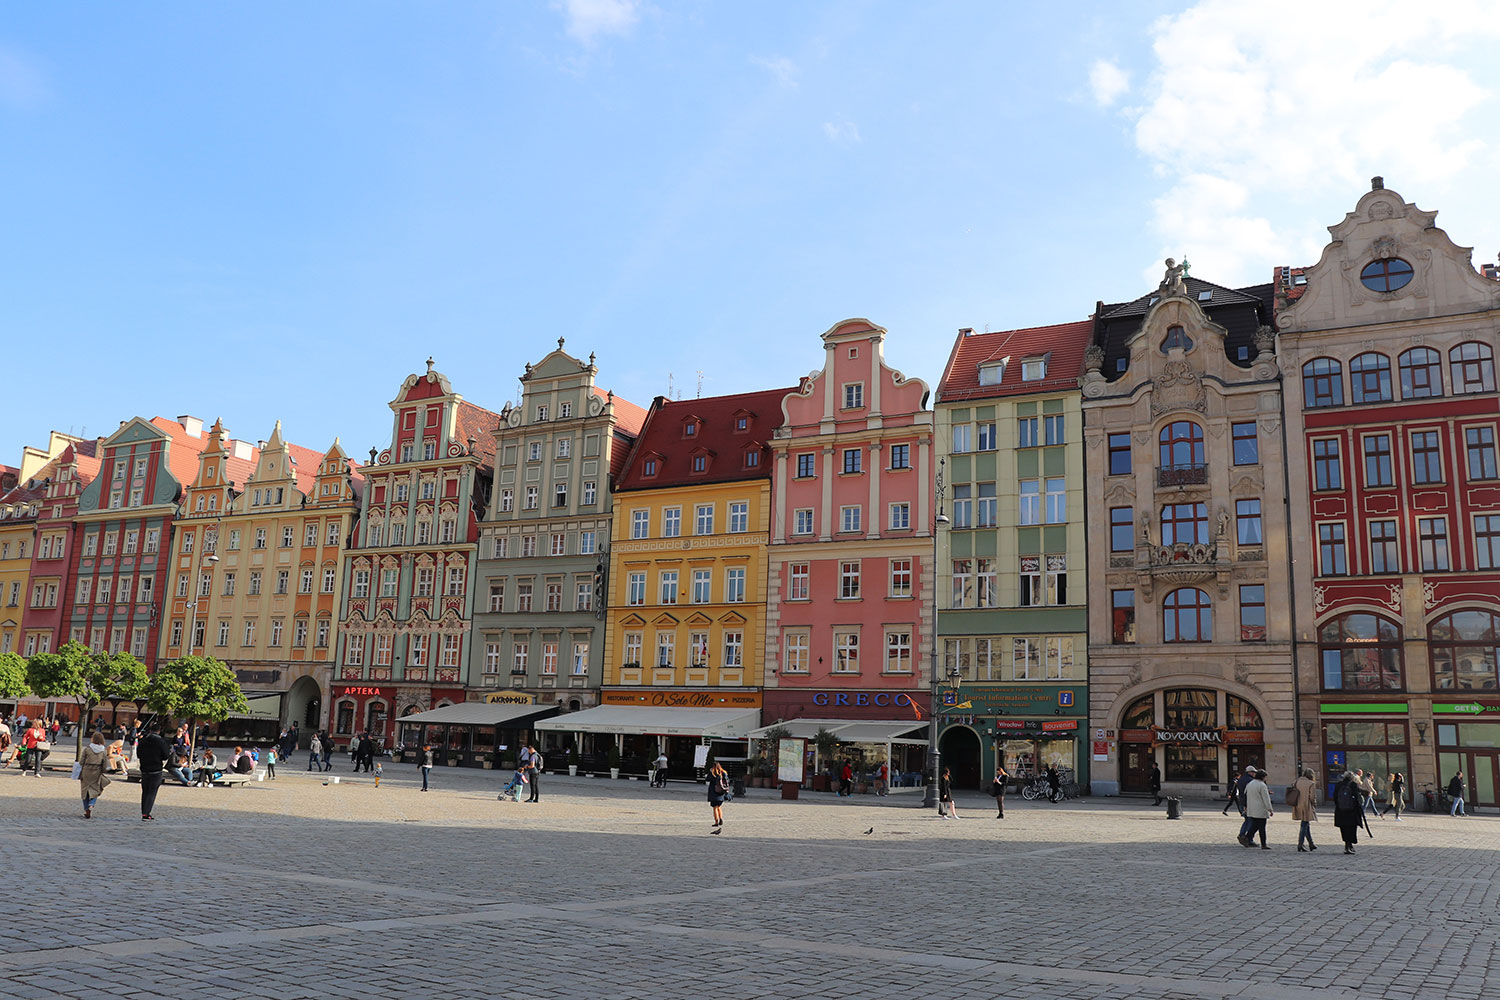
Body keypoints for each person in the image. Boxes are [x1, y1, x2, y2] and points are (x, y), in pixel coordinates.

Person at [76, 731, 118, 819]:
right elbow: (104, 763)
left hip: (86, 771)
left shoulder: (87, 749)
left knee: (85, 790)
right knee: (95, 789)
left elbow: (81, 761)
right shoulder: (103, 750)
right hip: (97, 771)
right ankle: (91, 804)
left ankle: (86, 808)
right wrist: (102, 771)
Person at [136, 724, 173, 821]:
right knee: (152, 792)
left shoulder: (143, 741)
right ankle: (146, 813)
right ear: (159, 731)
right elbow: (165, 756)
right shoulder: (161, 742)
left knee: (145, 791)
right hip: (156, 769)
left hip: (144, 769)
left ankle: (144, 811)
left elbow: (138, 754)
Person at [1240, 769, 1273, 849]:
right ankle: (1263, 844)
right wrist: (1270, 809)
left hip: (1251, 809)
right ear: (1262, 777)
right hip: (1260, 809)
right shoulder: (1262, 785)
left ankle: (1247, 837)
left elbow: (1245, 795)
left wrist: (1246, 806)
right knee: (1262, 827)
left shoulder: (1250, 784)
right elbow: (1266, 798)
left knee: (1255, 825)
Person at [1333, 772, 1363, 853]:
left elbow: (1335, 797)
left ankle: (1347, 845)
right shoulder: (1353, 785)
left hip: (1341, 811)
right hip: (1352, 812)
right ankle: (1350, 845)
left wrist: (1339, 806)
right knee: (1351, 829)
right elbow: (1357, 798)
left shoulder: (1339, 785)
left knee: (1344, 829)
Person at [1291, 767, 1318, 852]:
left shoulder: (1297, 781)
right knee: (1304, 824)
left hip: (1297, 804)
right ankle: (1300, 844)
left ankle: (1311, 844)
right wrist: (1314, 804)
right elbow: (1312, 796)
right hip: (1306, 805)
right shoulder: (1311, 783)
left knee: (1306, 824)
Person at [706, 761, 729, 831]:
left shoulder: (713, 773)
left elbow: (707, 779)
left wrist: (710, 771)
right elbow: (727, 781)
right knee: (719, 807)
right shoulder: (723, 772)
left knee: (715, 808)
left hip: (714, 792)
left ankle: (716, 821)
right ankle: (721, 818)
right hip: (721, 792)